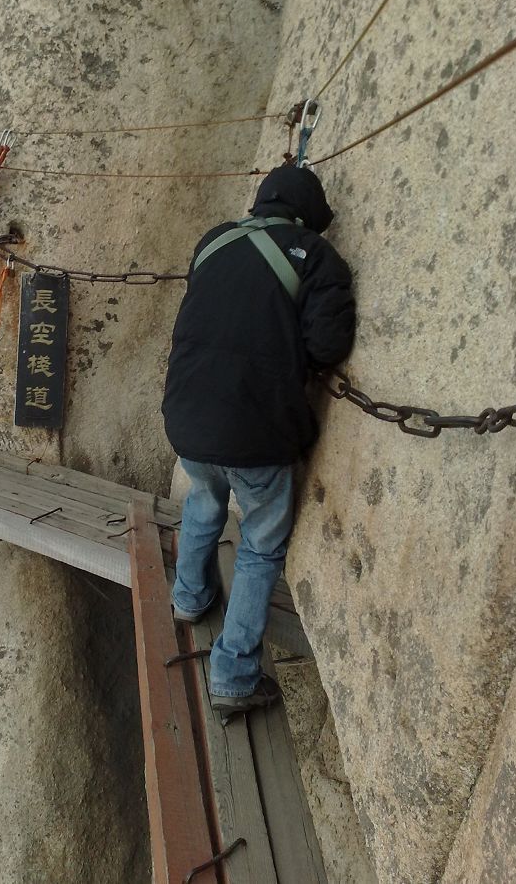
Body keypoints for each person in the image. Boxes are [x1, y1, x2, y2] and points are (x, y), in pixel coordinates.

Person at [162, 164, 355, 717]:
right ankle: (233, 676)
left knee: (203, 501)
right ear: (307, 215)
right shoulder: (315, 255)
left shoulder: (214, 240)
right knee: (260, 545)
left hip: (187, 417)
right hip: (256, 430)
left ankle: (189, 598)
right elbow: (328, 345)